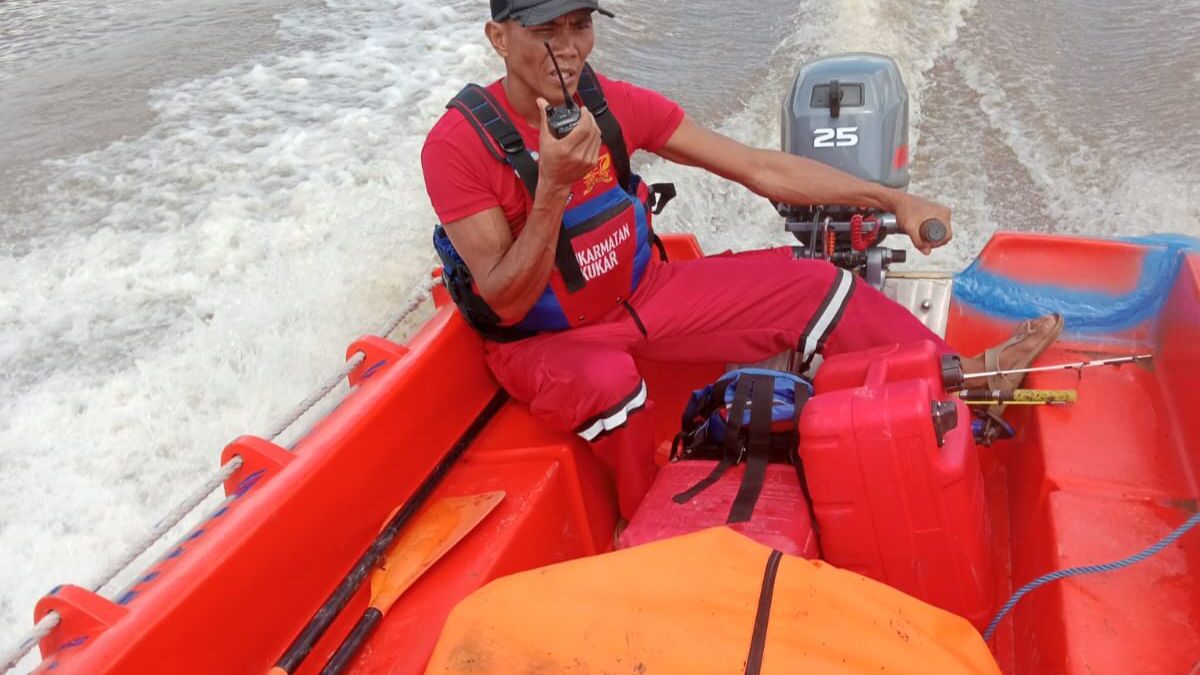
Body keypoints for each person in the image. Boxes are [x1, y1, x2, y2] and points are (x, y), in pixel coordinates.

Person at [421, 0, 1062, 519]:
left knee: (812, 282)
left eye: (579, 25)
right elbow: (504, 297)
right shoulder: (458, 146)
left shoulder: (609, 104)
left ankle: (968, 379)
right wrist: (554, 187)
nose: (567, 47)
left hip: (641, 294)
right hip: (546, 341)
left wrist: (887, 194)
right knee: (608, 380)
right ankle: (644, 516)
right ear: (499, 38)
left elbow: (756, 167)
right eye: (543, 30)